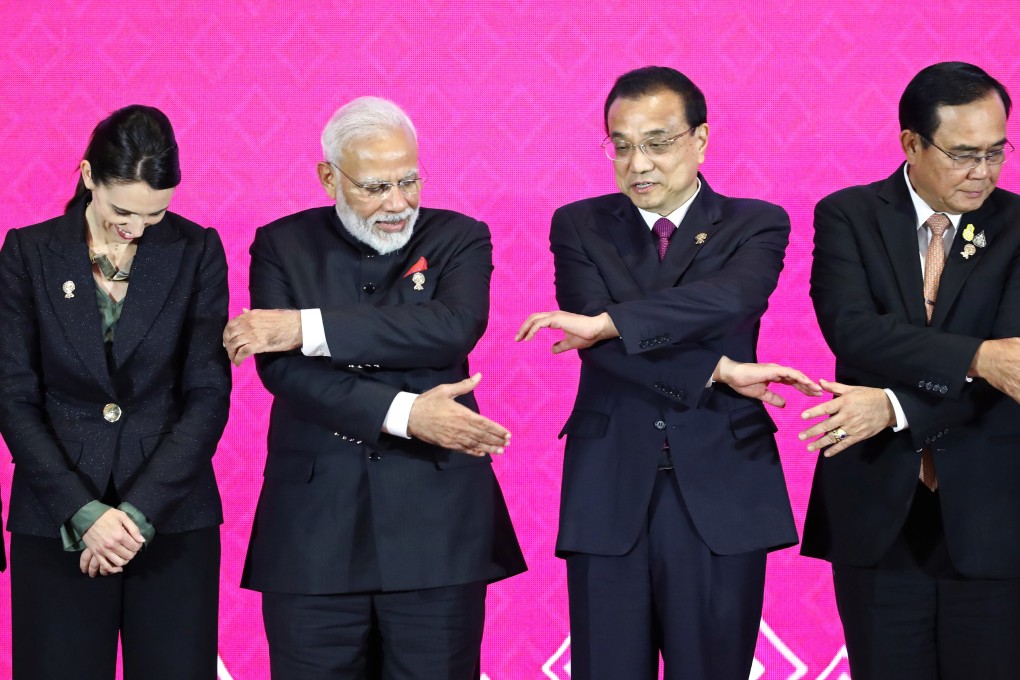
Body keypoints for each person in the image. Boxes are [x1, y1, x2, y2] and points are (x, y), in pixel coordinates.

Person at [515, 66, 820, 680]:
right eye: (621, 145)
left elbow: (728, 300)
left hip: (721, 480)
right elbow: (596, 347)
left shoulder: (755, 222)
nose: (638, 164)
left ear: (699, 139)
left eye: (657, 143)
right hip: (610, 481)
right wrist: (717, 369)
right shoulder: (579, 223)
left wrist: (610, 322)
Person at [225, 96, 525, 679]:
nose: (398, 203)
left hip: (437, 529)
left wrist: (306, 327)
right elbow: (283, 371)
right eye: (375, 187)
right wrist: (407, 413)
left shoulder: (460, 237)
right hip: (313, 530)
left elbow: (450, 327)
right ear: (328, 177)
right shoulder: (281, 244)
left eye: (409, 181)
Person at [800, 62, 1020, 680]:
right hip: (877, 508)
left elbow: (1014, 370)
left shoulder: (1018, 225)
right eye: (964, 155)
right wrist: (976, 356)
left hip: (994, 509)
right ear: (911, 144)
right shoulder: (848, 215)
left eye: (997, 152)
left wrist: (893, 408)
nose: (983, 172)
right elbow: (854, 332)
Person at [0, 105, 230, 679]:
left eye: (156, 214)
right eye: (122, 211)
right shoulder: (28, 252)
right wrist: (84, 514)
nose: (137, 228)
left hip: (172, 516)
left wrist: (136, 514)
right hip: (55, 517)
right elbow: (13, 393)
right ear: (88, 177)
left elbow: (207, 394)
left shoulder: (197, 249)